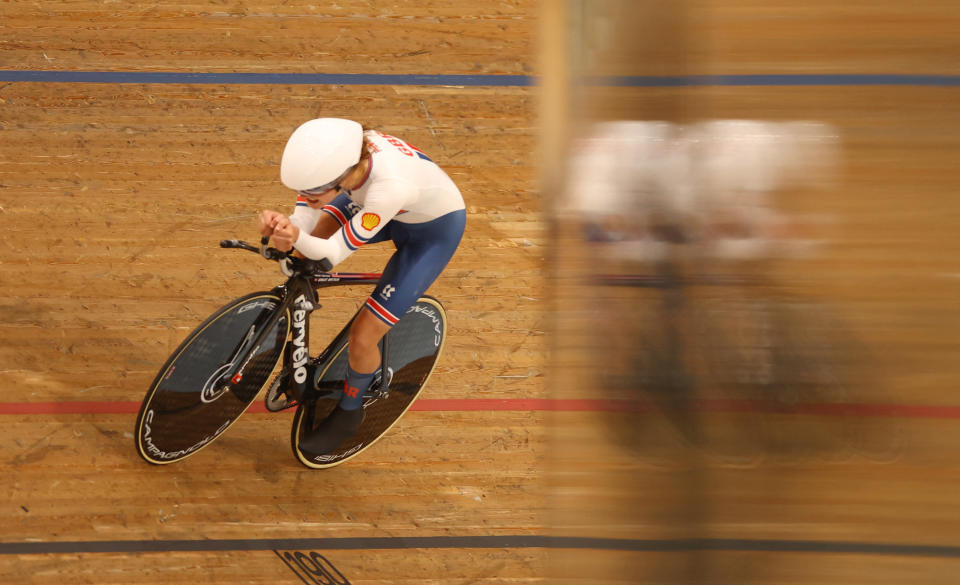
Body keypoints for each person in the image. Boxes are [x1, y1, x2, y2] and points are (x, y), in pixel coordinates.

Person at [258, 118, 466, 454]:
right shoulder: (344, 155)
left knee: (364, 335)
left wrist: (297, 236)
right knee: (304, 246)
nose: (305, 195)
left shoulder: (388, 187)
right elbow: (307, 214)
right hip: (392, 206)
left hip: (431, 233)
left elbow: (332, 255)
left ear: (340, 177)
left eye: (312, 189)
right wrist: (287, 228)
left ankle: (350, 412)